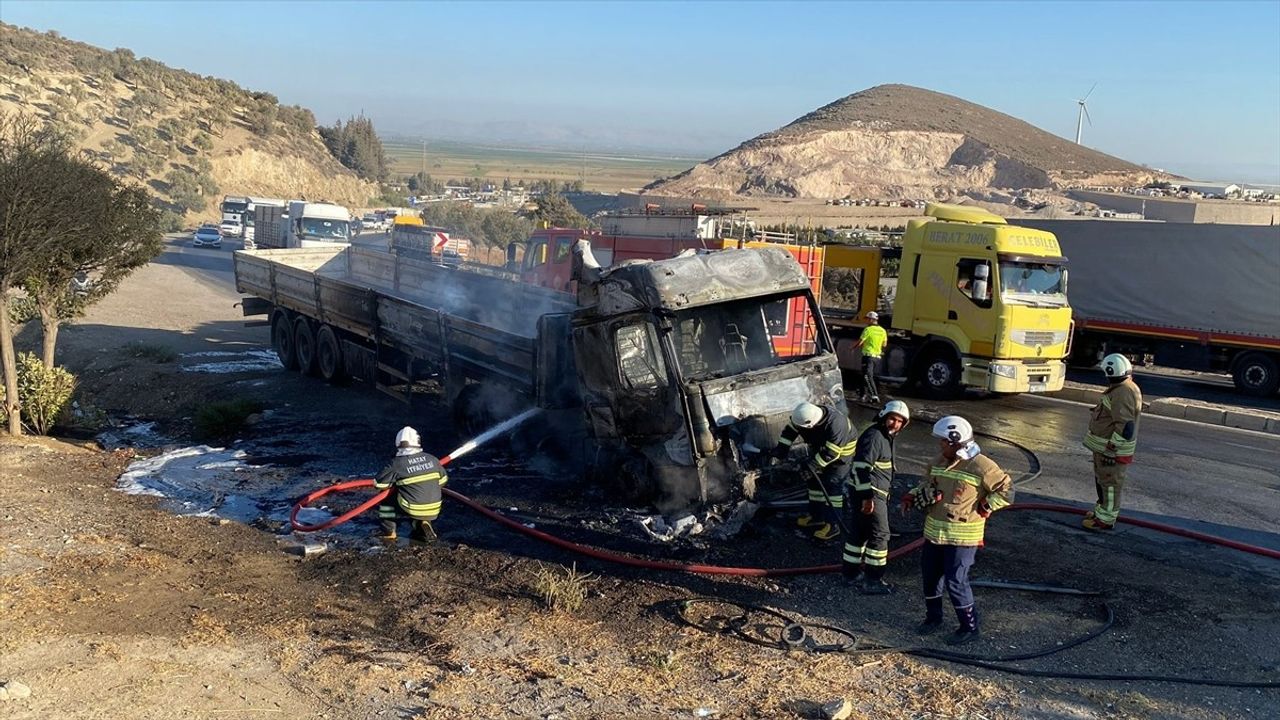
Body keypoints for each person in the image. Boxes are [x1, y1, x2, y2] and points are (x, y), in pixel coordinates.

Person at [902, 415, 1013, 645]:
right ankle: (933, 619)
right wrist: (912, 496)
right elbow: (927, 485)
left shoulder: (982, 466)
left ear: (956, 441)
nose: (940, 445)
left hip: (963, 537)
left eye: (943, 441)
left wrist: (987, 505)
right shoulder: (938, 462)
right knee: (930, 576)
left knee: (956, 580)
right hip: (934, 534)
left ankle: (969, 627)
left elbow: (1007, 492)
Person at [844, 400, 910, 594]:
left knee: (859, 533)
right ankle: (872, 580)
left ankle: (850, 574)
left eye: (900, 421)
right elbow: (860, 468)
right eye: (892, 419)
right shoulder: (875, 437)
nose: (895, 424)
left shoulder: (884, 437)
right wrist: (867, 497)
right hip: (871, 495)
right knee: (880, 536)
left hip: (868, 494)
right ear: (883, 417)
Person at [773, 402, 858, 542]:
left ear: (811, 425)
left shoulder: (837, 425)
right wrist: (782, 447)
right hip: (821, 450)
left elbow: (831, 453)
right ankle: (817, 517)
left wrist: (812, 466)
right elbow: (791, 430)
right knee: (814, 485)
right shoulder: (807, 414)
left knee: (832, 488)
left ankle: (833, 525)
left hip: (841, 456)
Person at [1081, 353, 1142, 531]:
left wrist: (1111, 450)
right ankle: (1101, 511)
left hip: (1111, 451)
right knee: (1103, 481)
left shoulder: (1123, 392)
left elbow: (1125, 427)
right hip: (1106, 448)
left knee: (1109, 485)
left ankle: (1105, 520)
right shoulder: (1123, 388)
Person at [373, 426, 449, 543]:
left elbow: (379, 484)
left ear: (398, 443)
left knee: (386, 498)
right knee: (417, 493)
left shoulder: (397, 463)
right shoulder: (432, 459)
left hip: (413, 506)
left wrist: (398, 483)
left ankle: (389, 532)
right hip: (435, 507)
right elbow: (443, 481)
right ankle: (422, 523)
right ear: (417, 441)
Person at [853, 311, 887, 403]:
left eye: (867, 319)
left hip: (868, 356)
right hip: (877, 357)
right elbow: (884, 344)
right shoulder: (883, 330)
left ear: (872, 319)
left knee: (868, 376)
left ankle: (874, 395)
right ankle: (862, 395)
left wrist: (852, 348)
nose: (866, 321)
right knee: (864, 375)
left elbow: (860, 342)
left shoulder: (868, 330)